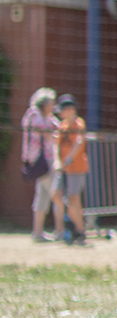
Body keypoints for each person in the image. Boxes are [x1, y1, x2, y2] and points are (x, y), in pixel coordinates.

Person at [18, 87, 60, 242]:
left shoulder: (48, 117)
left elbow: (59, 129)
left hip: (46, 160)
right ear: (43, 104)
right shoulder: (33, 115)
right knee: (57, 194)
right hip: (40, 160)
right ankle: (61, 230)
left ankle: (37, 233)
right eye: (51, 103)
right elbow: (47, 132)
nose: (53, 105)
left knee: (42, 195)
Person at [51, 94, 90, 247]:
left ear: (70, 110)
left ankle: (80, 230)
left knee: (73, 197)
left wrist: (69, 157)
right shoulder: (62, 126)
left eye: (62, 110)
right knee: (56, 194)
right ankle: (66, 225)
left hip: (77, 167)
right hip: (62, 168)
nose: (60, 113)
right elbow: (56, 145)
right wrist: (57, 161)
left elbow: (79, 142)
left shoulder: (79, 124)